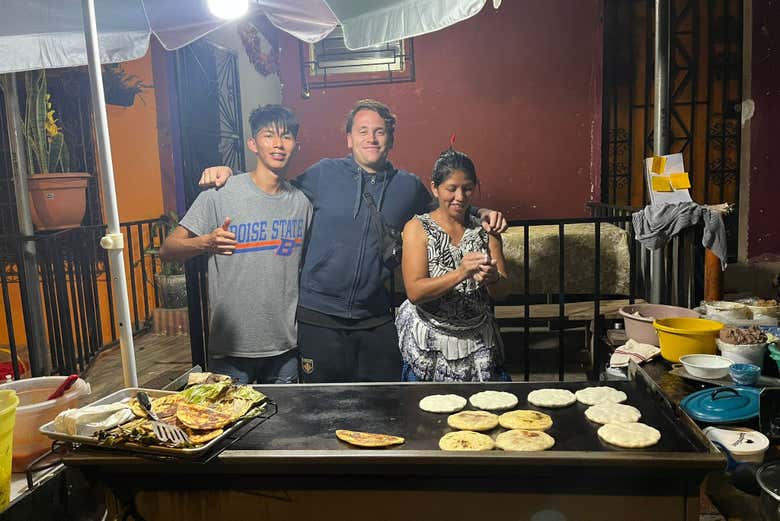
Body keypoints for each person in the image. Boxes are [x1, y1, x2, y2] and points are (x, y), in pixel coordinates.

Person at [199, 99, 507, 383]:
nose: (371, 139)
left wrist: (482, 211)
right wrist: (230, 174)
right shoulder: (323, 173)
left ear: (391, 139)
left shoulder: (408, 187)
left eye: (379, 132)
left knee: (383, 406)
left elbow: (447, 205)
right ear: (349, 138)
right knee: (319, 409)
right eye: (363, 131)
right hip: (318, 316)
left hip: (374, 317)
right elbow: (274, 190)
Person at [160, 105, 312, 384]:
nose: (278, 144)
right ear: (253, 144)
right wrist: (206, 242)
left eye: (286, 136)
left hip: (284, 349)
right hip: (231, 349)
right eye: (269, 135)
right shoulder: (220, 193)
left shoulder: (301, 204)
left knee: (284, 426)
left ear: (296, 146)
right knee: (232, 427)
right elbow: (168, 250)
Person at [396, 148, 510, 382]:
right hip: (431, 342)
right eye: (451, 188)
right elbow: (415, 292)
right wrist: (461, 273)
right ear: (434, 188)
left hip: (478, 342)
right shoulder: (418, 228)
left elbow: (503, 292)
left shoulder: (485, 230)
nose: (460, 196)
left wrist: (493, 279)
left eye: (467, 188)